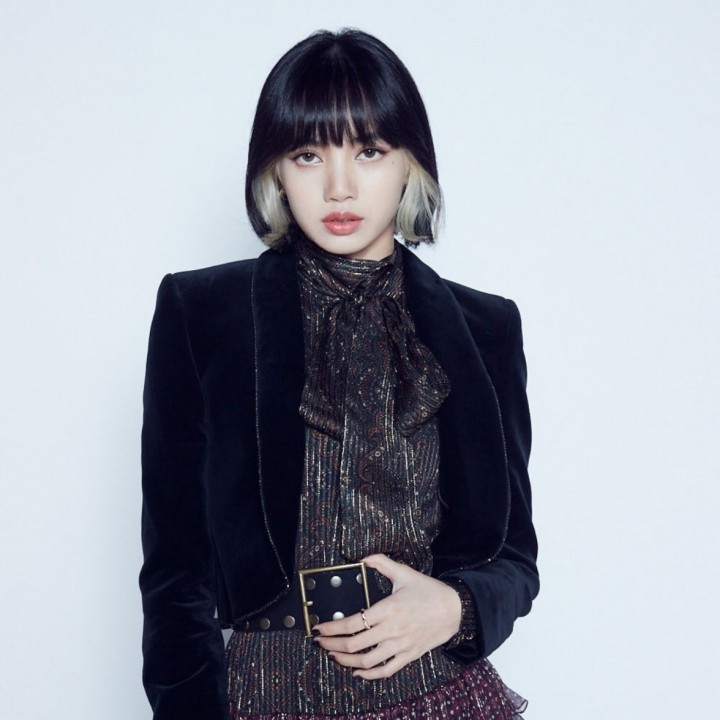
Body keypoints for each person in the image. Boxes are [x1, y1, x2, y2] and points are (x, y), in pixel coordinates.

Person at [139, 28, 539, 720]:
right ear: (276, 171)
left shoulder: (485, 329)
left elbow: (515, 558)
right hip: (266, 696)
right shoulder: (201, 313)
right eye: (308, 154)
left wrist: (456, 606)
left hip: (439, 694)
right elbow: (175, 572)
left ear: (410, 162)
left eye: (369, 151)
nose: (338, 186)